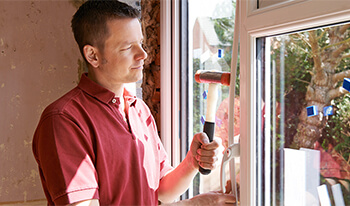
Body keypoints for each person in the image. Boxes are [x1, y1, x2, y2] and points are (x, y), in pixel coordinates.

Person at [32, 1, 235, 205]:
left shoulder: (139, 110)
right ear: (93, 55)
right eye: (128, 47)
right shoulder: (63, 120)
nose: (143, 55)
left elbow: (161, 189)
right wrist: (195, 204)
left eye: (141, 43)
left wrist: (192, 161)